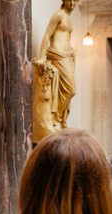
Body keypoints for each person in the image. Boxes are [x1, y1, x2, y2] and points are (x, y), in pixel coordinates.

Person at [32, 0, 77, 143]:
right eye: (70, 0)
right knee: (70, 89)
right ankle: (55, 119)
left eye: (75, 0)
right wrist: (42, 58)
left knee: (67, 90)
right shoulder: (58, 15)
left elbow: (67, 38)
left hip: (67, 56)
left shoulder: (70, 19)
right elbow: (47, 35)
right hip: (57, 54)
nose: (73, 3)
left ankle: (58, 119)